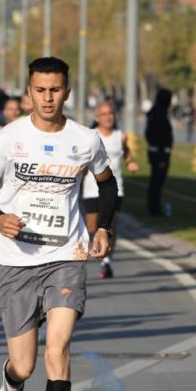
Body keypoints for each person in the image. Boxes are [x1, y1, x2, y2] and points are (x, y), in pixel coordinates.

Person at [0, 57, 116, 391]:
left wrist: (103, 226)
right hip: (16, 259)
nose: (48, 98)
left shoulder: (85, 140)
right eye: (40, 90)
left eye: (56, 90)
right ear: (29, 92)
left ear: (67, 92)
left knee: (59, 350)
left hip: (66, 256)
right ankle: (12, 382)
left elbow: (106, 185)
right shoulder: (10, 137)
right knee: (25, 362)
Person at [81, 101, 138, 278]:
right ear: (98, 117)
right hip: (91, 188)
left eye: (111, 113)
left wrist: (130, 162)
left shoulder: (121, 136)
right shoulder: (91, 136)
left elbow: (125, 151)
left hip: (115, 188)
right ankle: (98, 245)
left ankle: (106, 262)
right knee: (92, 225)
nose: (108, 117)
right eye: (104, 114)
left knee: (110, 225)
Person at [145, 88, 174, 216]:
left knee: (155, 182)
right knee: (156, 183)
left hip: (155, 153)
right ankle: (154, 209)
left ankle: (154, 207)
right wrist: (162, 158)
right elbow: (161, 137)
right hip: (160, 155)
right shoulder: (159, 115)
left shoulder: (154, 113)